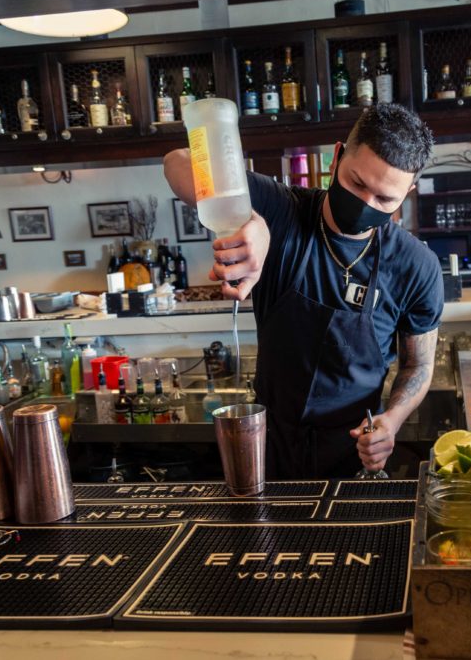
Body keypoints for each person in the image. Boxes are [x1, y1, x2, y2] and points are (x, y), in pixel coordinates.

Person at [163, 103, 442, 479]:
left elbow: (418, 364)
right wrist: (249, 218)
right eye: (357, 184)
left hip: (354, 450)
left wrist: (391, 422)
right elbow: (177, 161)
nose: (366, 205)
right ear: (337, 158)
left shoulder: (416, 266)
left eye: (384, 200)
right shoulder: (283, 211)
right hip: (270, 443)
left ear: (407, 192)